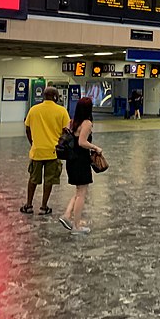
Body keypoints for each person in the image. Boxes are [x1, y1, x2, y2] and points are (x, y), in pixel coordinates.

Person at [20, 86, 69, 216]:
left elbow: (27, 128)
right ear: (56, 97)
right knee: (49, 180)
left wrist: (33, 143)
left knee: (33, 178)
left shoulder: (34, 110)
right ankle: (43, 207)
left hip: (37, 151)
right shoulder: (62, 111)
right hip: (53, 152)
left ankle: (29, 205)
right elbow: (66, 131)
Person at [59, 97, 102, 235]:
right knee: (82, 194)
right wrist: (96, 148)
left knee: (79, 191)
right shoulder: (87, 123)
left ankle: (67, 215)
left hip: (71, 160)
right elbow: (82, 142)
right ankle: (76, 226)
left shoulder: (71, 122)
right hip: (81, 160)